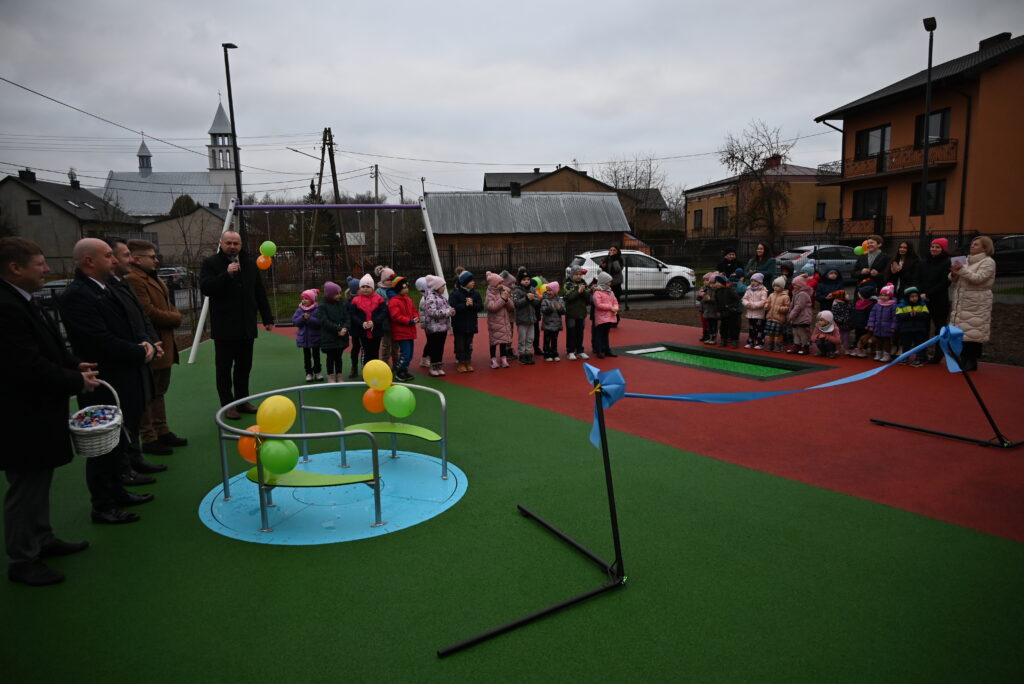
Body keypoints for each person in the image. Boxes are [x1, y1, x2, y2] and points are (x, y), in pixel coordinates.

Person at [1, 237, 100, 585]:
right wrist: (76, 381)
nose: (47, 269)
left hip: (36, 413)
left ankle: (41, 538)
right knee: (26, 487)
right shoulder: (6, 307)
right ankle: (23, 559)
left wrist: (75, 364)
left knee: (39, 481)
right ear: (15, 268)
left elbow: (50, 348)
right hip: (20, 417)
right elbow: (26, 365)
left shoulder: (22, 301)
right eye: (40, 263)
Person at [60, 238, 156, 525]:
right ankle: (102, 505)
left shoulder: (107, 288)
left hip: (126, 377)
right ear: (89, 261)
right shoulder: (78, 296)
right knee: (104, 448)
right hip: (106, 382)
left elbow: (131, 324)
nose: (114, 260)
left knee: (119, 443)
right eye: (107, 256)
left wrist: (146, 343)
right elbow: (99, 341)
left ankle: (118, 491)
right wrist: (140, 352)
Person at [106, 238, 164, 480]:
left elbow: (140, 316)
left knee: (150, 394)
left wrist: (151, 341)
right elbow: (140, 315)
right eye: (125, 255)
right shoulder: (126, 282)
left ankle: (136, 456)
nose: (128, 259)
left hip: (145, 349)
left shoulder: (124, 283)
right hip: (126, 361)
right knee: (132, 408)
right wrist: (142, 347)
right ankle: (129, 462)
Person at [199, 231, 274, 420]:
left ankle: (242, 401)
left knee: (244, 367)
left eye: (236, 243)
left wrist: (267, 317)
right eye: (229, 243)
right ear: (221, 243)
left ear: (241, 245)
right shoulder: (211, 264)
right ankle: (227, 404)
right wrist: (227, 274)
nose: (232, 246)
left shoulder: (249, 263)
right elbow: (206, 288)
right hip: (224, 327)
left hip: (246, 326)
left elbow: (259, 291)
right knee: (223, 368)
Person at [124, 240, 188, 458]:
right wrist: (174, 318)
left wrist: (173, 315)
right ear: (136, 258)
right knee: (148, 393)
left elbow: (168, 306)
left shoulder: (154, 278)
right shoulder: (134, 279)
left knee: (159, 391)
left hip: (165, 343)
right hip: (153, 343)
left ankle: (162, 430)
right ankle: (149, 437)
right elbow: (147, 311)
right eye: (152, 256)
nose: (156, 260)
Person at [949, 235, 997, 372]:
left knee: (974, 332)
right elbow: (956, 279)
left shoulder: (988, 262)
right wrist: (954, 273)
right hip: (962, 300)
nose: (972, 246)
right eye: (972, 244)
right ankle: (964, 359)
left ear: (985, 248)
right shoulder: (966, 261)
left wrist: (962, 270)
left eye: (976, 244)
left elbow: (979, 278)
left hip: (977, 302)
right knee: (962, 333)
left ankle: (971, 361)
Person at [918, 238, 952, 363]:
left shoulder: (947, 262)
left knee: (939, 329)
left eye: (938, 247)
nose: (934, 249)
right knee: (923, 328)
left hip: (939, 301)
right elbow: (919, 278)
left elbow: (945, 282)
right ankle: (922, 354)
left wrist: (928, 293)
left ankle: (938, 354)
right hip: (924, 300)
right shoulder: (924, 262)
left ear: (943, 249)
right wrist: (921, 292)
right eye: (933, 246)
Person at [349, 274, 389, 366]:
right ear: (360, 288)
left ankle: (374, 370)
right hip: (362, 332)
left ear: (373, 287)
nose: (365, 289)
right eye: (363, 286)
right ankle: (366, 371)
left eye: (368, 286)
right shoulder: (355, 300)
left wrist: (374, 322)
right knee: (366, 352)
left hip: (376, 331)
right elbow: (352, 314)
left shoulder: (379, 299)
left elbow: (383, 313)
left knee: (375, 352)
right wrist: (361, 323)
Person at [449, 270, 483, 373]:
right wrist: (465, 305)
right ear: (464, 282)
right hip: (459, 324)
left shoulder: (475, 293)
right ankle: (461, 362)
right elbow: (453, 307)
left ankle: (468, 360)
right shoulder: (455, 294)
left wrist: (473, 305)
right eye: (470, 280)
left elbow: (481, 307)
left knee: (469, 344)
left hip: (471, 323)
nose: (473, 282)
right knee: (460, 344)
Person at [387, 276, 419, 382]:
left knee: (410, 354)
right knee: (405, 353)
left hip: (410, 331)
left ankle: (404, 370)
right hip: (401, 332)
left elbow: (414, 310)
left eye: (407, 287)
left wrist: (416, 317)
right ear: (398, 289)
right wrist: (409, 321)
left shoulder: (408, 299)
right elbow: (395, 316)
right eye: (404, 288)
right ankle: (399, 371)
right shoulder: (394, 301)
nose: (407, 289)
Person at [318, 281, 350, 383]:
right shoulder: (322, 306)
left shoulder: (342, 304)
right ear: (330, 294)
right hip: (329, 336)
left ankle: (339, 374)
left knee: (339, 356)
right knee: (331, 357)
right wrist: (338, 329)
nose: (339, 296)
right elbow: (324, 321)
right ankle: (331, 375)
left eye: (340, 293)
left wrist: (345, 328)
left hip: (341, 336)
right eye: (337, 294)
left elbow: (347, 318)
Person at [421, 275, 453, 376]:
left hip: (442, 327)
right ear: (436, 287)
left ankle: (438, 366)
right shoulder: (430, 297)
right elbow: (432, 312)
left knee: (440, 347)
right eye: (442, 286)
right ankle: (433, 367)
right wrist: (448, 312)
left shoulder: (441, 297)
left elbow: (447, 307)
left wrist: (451, 311)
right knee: (435, 347)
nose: (444, 288)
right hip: (433, 328)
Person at [291, 289, 323, 382]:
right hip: (304, 338)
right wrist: (302, 318)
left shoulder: (317, 310)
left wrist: (309, 318)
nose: (304, 300)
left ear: (312, 300)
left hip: (315, 338)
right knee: (307, 356)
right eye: (303, 298)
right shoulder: (299, 310)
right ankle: (309, 373)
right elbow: (295, 322)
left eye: (306, 298)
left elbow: (319, 323)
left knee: (316, 356)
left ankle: (318, 372)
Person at [485, 271, 514, 368]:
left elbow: (511, 307)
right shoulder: (490, 295)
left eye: (502, 283)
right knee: (494, 341)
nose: (501, 285)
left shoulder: (503, 292)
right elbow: (492, 307)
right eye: (499, 283)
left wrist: (507, 299)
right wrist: (502, 300)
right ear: (494, 284)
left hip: (504, 322)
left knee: (503, 341)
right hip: (495, 323)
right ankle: (493, 359)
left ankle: (503, 357)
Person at [895, 286, 930, 367]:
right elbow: (899, 316)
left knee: (919, 344)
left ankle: (919, 358)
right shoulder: (901, 305)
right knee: (906, 344)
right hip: (906, 329)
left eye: (916, 296)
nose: (914, 298)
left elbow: (926, 315)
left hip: (919, 329)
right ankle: (905, 357)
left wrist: (917, 314)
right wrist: (909, 314)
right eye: (912, 296)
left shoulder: (922, 305)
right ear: (907, 297)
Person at [562, 266, 590, 360]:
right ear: (572, 275)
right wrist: (578, 292)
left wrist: (585, 292)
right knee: (571, 332)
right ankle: (570, 351)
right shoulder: (567, 284)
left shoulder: (583, 283)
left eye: (580, 274)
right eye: (576, 274)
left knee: (580, 332)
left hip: (581, 312)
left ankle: (580, 350)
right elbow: (568, 297)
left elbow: (588, 298)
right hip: (571, 312)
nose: (578, 276)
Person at [512, 271, 539, 365]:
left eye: (528, 279)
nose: (526, 281)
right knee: (522, 338)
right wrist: (526, 299)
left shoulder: (532, 289)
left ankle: (528, 353)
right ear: (520, 281)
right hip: (522, 319)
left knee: (530, 338)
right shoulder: (516, 290)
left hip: (531, 319)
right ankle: (522, 355)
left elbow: (536, 303)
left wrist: (533, 299)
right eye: (524, 280)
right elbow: (516, 304)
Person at [867, 283, 898, 362]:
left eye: (886, 295)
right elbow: (872, 315)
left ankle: (887, 355)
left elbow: (895, 317)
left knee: (887, 341)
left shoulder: (893, 305)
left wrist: (893, 327)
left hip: (887, 327)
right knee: (878, 341)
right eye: (882, 295)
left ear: (890, 296)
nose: (883, 297)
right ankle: (878, 354)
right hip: (878, 326)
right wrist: (871, 325)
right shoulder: (877, 305)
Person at [591, 272, 619, 358]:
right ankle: (599, 351)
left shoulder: (610, 292)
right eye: (609, 281)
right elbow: (598, 305)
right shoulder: (597, 293)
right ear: (604, 282)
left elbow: (615, 301)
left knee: (606, 334)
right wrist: (611, 307)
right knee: (599, 334)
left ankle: (607, 350)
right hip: (601, 317)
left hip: (609, 316)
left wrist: (616, 308)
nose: (610, 283)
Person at [375, 267, 399, 368]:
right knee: (386, 343)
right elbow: (378, 305)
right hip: (385, 321)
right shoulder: (379, 291)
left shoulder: (396, 290)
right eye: (388, 280)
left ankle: (396, 362)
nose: (390, 282)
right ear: (383, 280)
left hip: (396, 320)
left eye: (391, 280)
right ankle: (385, 363)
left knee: (396, 343)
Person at [787, 273, 814, 355]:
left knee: (802, 332)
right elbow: (793, 304)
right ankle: (797, 345)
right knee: (796, 332)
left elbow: (799, 306)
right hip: (796, 317)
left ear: (800, 284)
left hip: (803, 316)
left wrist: (791, 315)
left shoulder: (803, 294)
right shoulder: (796, 292)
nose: (794, 286)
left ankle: (805, 346)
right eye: (793, 285)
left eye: (795, 285)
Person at [713, 275, 741, 348]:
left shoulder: (729, 290)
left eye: (717, 282)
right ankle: (723, 340)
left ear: (722, 283)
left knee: (733, 327)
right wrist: (718, 311)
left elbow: (737, 299)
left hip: (732, 312)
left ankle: (734, 340)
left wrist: (731, 307)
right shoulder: (717, 292)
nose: (716, 284)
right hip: (723, 312)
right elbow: (717, 302)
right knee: (723, 327)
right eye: (715, 282)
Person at [540, 281, 566, 361]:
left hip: (556, 324)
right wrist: (549, 309)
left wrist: (560, 309)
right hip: (547, 324)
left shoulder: (560, 300)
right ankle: (547, 354)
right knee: (547, 339)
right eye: (547, 290)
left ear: (555, 291)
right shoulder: (545, 300)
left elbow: (564, 311)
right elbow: (543, 310)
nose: (548, 292)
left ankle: (554, 353)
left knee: (554, 340)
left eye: (550, 290)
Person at [741, 272, 768, 349]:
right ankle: (750, 342)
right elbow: (744, 298)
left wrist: (753, 305)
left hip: (759, 314)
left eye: (755, 281)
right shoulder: (748, 289)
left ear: (759, 282)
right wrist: (746, 304)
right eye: (752, 280)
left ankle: (759, 343)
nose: (753, 282)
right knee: (751, 328)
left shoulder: (763, 290)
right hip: (750, 313)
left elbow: (763, 301)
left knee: (759, 329)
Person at [764, 277, 790, 352]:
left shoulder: (786, 296)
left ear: (782, 287)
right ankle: (770, 344)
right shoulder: (771, 295)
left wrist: (779, 308)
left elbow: (787, 307)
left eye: (778, 286)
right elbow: (767, 302)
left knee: (779, 333)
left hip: (779, 318)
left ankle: (778, 345)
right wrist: (766, 306)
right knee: (771, 332)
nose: (775, 287)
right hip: (770, 317)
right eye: (774, 286)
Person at [850, 283, 877, 358]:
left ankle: (863, 350)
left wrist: (868, 325)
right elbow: (854, 313)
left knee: (864, 337)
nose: (859, 295)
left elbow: (870, 316)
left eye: (860, 294)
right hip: (857, 324)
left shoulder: (870, 305)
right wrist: (852, 322)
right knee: (857, 336)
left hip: (864, 325)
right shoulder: (858, 303)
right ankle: (857, 348)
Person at [345, 276, 363, 378]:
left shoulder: (364, 299)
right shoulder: (349, 303)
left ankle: (365, 368)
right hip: (355, 329)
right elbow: (348, 316)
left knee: (364, 349)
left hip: (364, 328)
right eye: (361, 288)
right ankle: (354, 368)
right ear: (356, 290)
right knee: (356, 348)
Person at [602, 246, 624, 325]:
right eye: (611, 250)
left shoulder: (619, 259)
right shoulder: (607, 258)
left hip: (616, 284)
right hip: (608, 283)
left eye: (614, 250)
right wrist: (602, 266)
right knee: (607, 302)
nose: (612, 251)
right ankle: (609, 318)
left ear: (617, 252)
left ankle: (616, 319)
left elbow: (618, 269)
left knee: (615, 302)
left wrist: (614, 259)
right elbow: (604, 269)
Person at [828, 289, 852, 354]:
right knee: (838, 337)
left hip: (847, 324)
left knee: (846, 337)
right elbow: (834, 315)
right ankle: (837, 349)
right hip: (839, 324)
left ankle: (846, 349)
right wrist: (841, 320)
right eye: (846, 294)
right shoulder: (836, 305)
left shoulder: (848, 304)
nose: (848, 295)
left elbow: (851, 312)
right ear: (841, 296)